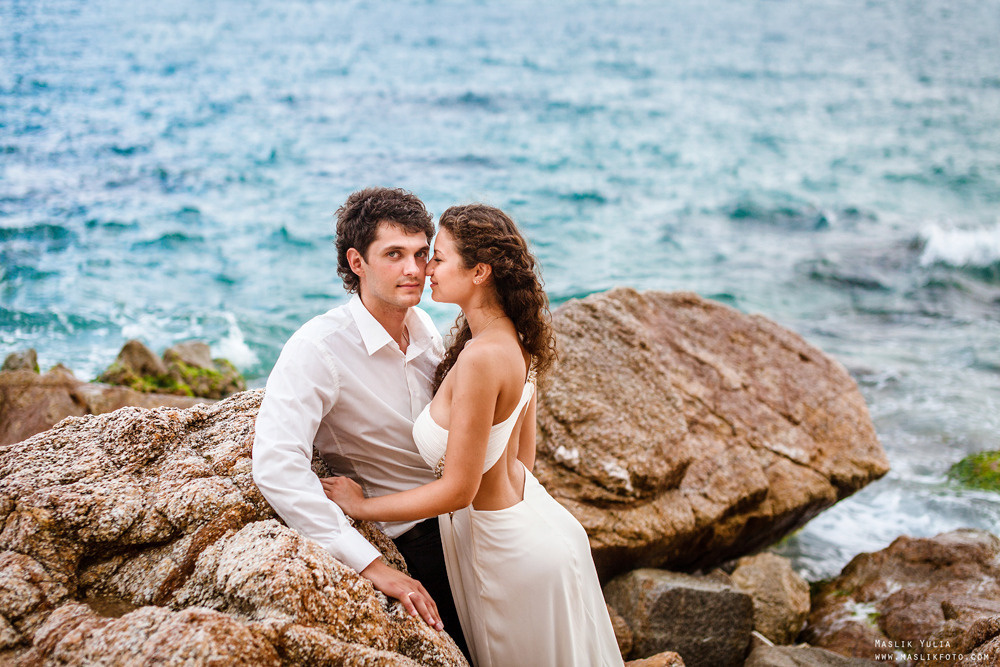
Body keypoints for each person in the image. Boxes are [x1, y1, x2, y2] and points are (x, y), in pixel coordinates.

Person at [322, 204, 624, 666]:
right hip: (536, 524)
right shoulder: (518, 342)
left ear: (479, 271)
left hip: (505, 552)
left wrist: (362, 507)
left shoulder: (482, 358)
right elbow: (522, 459)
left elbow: (460, 490)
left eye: (437, 258)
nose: (426, 270)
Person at [251, 187, 469, 658]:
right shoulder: (318, 348)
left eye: (420, 254)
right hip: (416, 536)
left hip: (469, 515)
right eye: (394, 254)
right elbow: (275, 465)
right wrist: (371, 564)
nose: (413, 269)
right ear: (357, 262)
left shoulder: (424, 328)